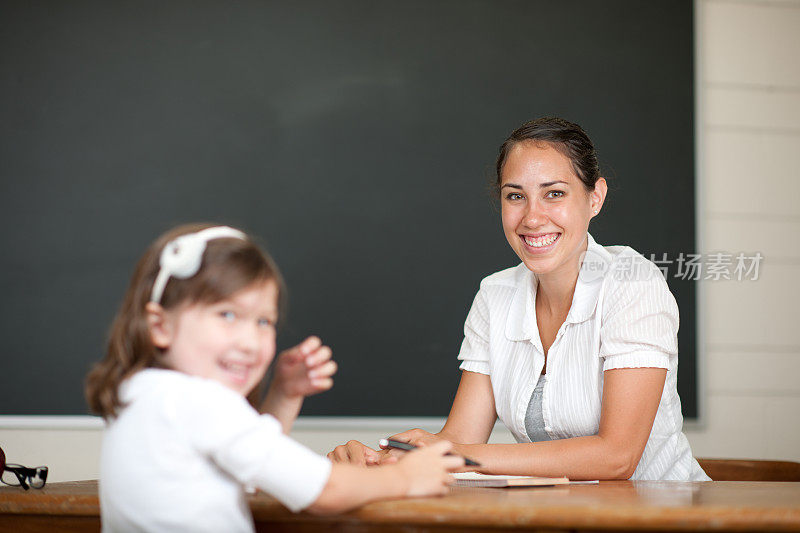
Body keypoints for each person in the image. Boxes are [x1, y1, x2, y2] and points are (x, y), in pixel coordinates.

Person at [329, 117, 710, 481]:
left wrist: (459, 456)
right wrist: (383, 460)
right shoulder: (495, 295)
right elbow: (462, 439)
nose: (532, 218)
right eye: (516, 196)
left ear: (595, 198)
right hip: (560, 518)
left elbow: (616, 457)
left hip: (665, 516)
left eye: (555, 194)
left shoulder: (633, 282)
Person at [85, 224, 464, 533]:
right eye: (227, 315)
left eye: (264, 321)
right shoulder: (198, 402)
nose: (250, 341)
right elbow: (324, 490)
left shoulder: (141, 393)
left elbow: (251, 461)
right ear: (160, 325)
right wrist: (407, 478)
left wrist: (284, 393)